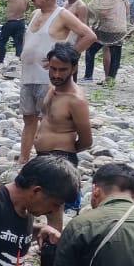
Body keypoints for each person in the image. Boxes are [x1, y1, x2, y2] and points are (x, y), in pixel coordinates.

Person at [17, 0, 96, 164]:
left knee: (49, 120)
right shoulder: (36, 13)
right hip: (28, 75)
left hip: (48, 78)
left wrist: (67, 56)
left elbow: (89, 35)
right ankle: (23, 158)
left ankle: (49, 159)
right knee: (28, 118)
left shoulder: (62, 15)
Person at [31, 42, 91, 231]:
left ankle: (52, 250)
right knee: (32, 201)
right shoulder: (53, 88)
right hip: (43, 157)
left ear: (73, 68)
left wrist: (64, 152)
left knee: (53, 208)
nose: (57, 75)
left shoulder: (76, 100)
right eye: (53, 69)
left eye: (63, 70)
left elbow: (87, 141)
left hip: (60, 158)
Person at [82, 0, 128, 85]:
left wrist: (94, 21)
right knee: (116, 54)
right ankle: (110, 80)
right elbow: (127, 11)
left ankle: (88, 75)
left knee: (90, 50)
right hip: (121, 28)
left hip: (107, 29)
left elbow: (103, 12)